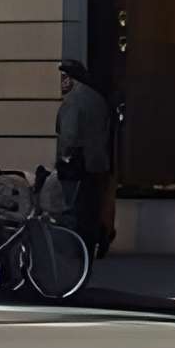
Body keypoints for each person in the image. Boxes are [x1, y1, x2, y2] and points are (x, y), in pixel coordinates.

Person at [54, 58, 114, 258]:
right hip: (98, 163)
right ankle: (93, 242)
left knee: (73, 210)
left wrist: (63, 158)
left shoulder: (72, 102)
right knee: (91, 208)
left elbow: (68, 137)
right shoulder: (97, 99)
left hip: (78, 165)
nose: (60, 83)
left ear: (70, 79)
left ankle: (76, 251)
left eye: (63, 78)